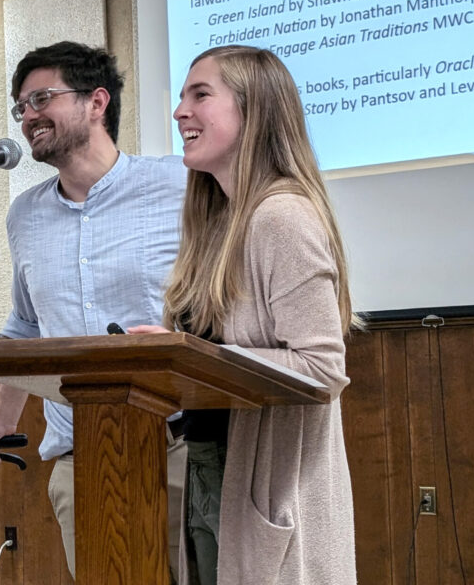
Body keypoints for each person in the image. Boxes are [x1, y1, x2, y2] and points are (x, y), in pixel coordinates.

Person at [128, 45, 360, 584]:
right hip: (209, 464)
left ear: (254, 110)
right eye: (182, 96)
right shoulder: (216, 223)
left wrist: (195, 358)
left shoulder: (282, 217)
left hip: (265, 481)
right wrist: (173, 354)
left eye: (200, 95)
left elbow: (323, 368)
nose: (179, 111)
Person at [0, 41, 190, 581]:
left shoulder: (177, 183)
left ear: (96, 102)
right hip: (79, 458)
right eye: (21, 106)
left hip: (177, 449)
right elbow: (26, 328)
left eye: (42, 97)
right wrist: (2, 419)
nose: (28, 116)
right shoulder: (25, 216)